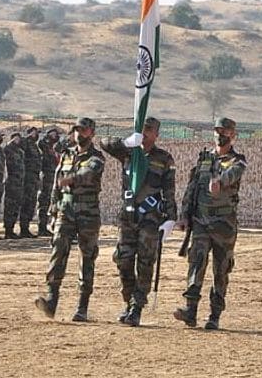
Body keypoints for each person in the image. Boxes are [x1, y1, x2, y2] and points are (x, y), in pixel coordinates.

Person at [100, 117, 177, 327]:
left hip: (150, 218)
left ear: (156, 134)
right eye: (142, 129)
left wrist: (171, 218)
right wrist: (126, 142)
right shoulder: (129, 152)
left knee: (145, 262)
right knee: (123, 260)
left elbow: (169, 191)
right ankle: (128, 301)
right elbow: (104, 143)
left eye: (149, 130)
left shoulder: (164, 158)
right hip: (128, 216)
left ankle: (137, 307)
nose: (144, 133)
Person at [173, 117, 247, 330]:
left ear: (233, 135)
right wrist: (184, 214)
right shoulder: (204, 159)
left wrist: (220, 181)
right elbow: (192, 188)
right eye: (217, 130)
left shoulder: (237, 160)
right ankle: (190, 310)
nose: (220, 134)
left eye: (225, 131)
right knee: (196, 263)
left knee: (220, 270)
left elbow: (233, 174)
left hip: (224, 225)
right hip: (201, 222)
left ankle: (214, 315)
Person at [35, 117, 105, 322]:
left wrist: (73, 180)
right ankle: (51, 301)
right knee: (57, 252)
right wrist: (52, 211)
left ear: (91, 133)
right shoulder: (66, 155)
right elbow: (56, 185)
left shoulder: (96, 157)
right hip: (65, 211)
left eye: (83, 131)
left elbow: (89, 173)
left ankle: (82, 307)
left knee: (87, 257)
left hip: (88, 213)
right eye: (76, 130)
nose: (78, 134)